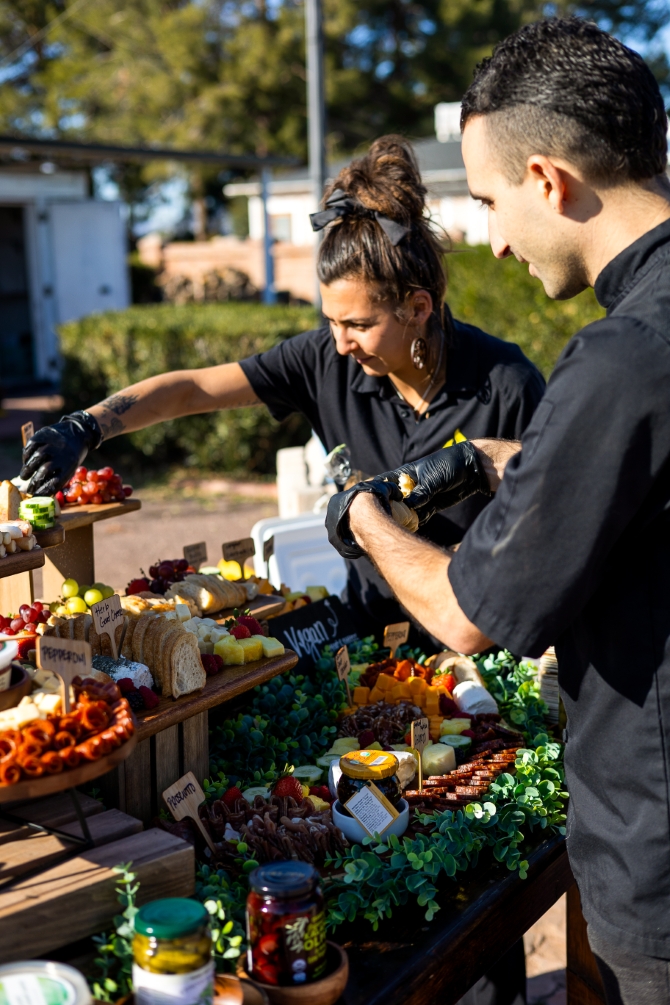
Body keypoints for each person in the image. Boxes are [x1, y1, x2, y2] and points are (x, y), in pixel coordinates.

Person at [327, 17, 670, 1005]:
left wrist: (364, 516)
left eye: (486, 201)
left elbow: (463, 614)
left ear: (549, 181)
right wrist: (543, 462)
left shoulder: (618, 355)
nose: (489, 238)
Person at [21, 136, 544, 648]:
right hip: (366, 629)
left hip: (480, 644)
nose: (340, 345)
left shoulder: (508, 385)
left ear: (418, 309)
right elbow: (193, 389)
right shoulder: (323, 359)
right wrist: (86, 426)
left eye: (358, 324)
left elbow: (546, 542)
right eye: (330, 322)